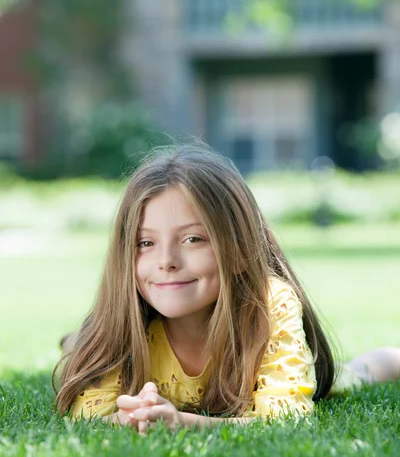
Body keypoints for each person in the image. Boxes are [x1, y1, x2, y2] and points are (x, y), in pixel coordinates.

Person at [52, 143, 400, 435]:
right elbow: (89, 415)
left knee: (353, 376)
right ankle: (76, 341)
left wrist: (183, 422)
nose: (167, 261)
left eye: (193, 239)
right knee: (86, 347)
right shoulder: (122, 319)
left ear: (238, 249)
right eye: (146, 243)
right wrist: (130, 415)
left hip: (290, 373)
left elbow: (285, 419)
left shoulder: (270, 302)